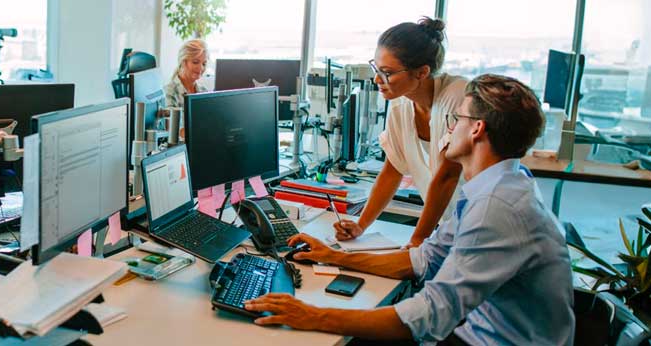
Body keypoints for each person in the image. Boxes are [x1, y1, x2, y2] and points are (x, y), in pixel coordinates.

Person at [245, 74, 574, 345]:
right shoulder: (494, 188)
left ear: (477, 129)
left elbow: (432, 313)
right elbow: (424, 259)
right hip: (478, 331)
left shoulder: (496, 206)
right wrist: (333, 257)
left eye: (457, 118)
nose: (447, 128)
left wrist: (313, 314)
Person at [335, 17, 466, 247]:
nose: (377, 79)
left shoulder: (456, 97)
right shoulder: (400, 105)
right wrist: (361, 225)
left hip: (481, 224)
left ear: (422, 72)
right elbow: (392, 171)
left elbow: (448, 177)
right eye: (377, 68)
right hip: (453, 227)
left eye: (387, 72)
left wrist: (417, 241)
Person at [163, 39, 209, 109]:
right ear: (183, 62)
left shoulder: (204, 91)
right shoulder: (169, 92)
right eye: (195, 62)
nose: (201, 68)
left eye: (204, 63)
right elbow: (172, 119)